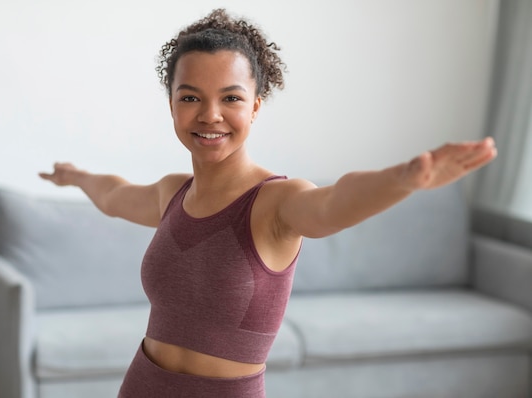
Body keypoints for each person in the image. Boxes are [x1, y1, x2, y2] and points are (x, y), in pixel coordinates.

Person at [39, 8, 497, 398]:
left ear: (255, 106)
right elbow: (115, 195)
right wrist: (76, 176)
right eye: (191, 97)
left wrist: (403, 179)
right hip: (141, 385)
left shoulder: (277, 202)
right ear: (173, 104)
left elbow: (335, 202)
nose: (210, 115)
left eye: (231, 98)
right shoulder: (171, 193)